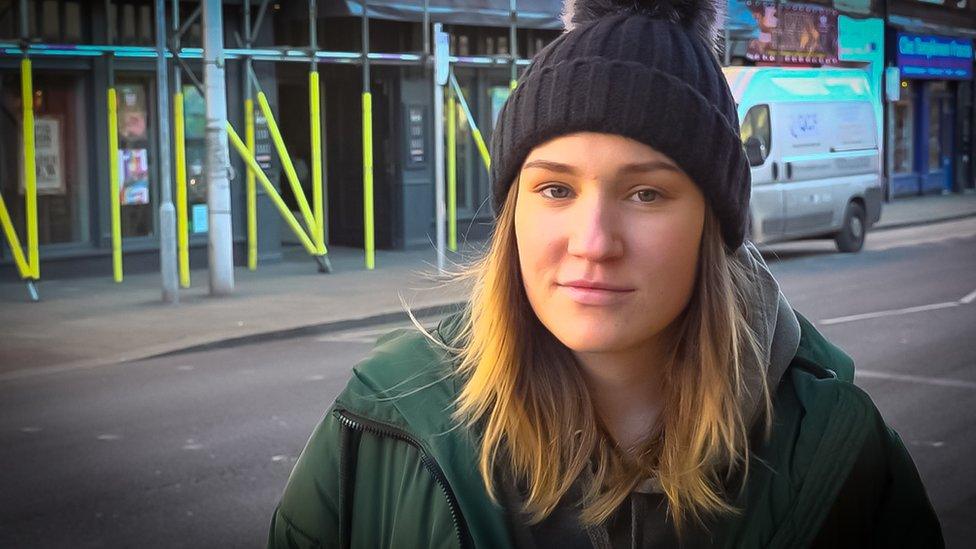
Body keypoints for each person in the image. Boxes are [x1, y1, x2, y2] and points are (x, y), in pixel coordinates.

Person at [267, 0, 944, 547]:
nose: (592, 242)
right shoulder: (378, 425)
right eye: (555, 190)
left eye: (646, 193)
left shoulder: (840, 452)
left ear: (714, 228)